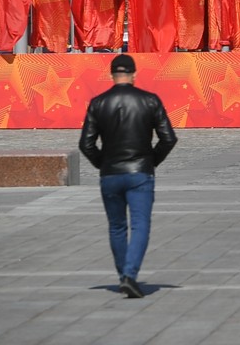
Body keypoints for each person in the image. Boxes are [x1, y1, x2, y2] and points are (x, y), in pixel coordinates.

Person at [78, 55, 177, 298]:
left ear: (111, 75)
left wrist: (103, 164)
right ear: (134, 74)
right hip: (140, 172)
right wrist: (151, 161)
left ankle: (124, 275)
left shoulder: (98, 103)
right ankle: (130, 275)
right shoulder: (149, 100)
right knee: (140, 224)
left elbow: (86, 144)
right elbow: (168, 138)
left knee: (117, 227)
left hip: (110, 174)